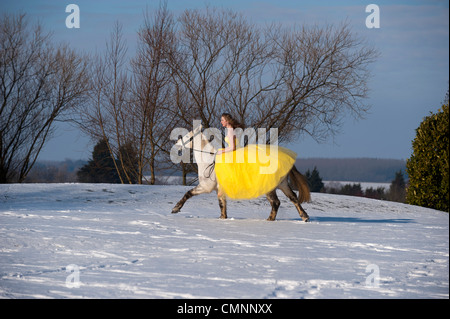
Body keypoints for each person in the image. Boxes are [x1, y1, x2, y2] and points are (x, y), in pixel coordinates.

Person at [215, 113, 298, 199]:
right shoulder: (231, 129)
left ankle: (224, 188)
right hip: (238, 152)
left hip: (236, 152)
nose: (221, 122)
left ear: (227, 121)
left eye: (222, 120)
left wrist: (222, 151)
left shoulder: (231, 130)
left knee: (227, 167)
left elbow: (232, 147)